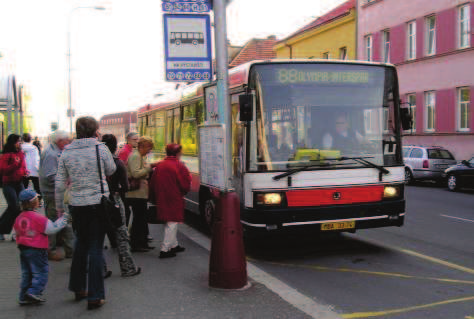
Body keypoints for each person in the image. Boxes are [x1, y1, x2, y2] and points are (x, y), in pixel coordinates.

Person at [55, 116, 116, 310]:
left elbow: (59, 183)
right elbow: (111, 169)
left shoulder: (66, 152)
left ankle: (78, 287)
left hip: (77, 205)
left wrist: (59, 208)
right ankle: (95, 296)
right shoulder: (101, 148)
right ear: (95, 130)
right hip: (98, 203)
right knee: (96, 248)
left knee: (81, 244)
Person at [13, 189, 70, 305]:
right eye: (37, 199)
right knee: (41, 271)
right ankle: (34, 291)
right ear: (33, 203)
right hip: (37, 249)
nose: (39, 201)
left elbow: (16, 233)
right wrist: (64, 219)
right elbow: (52, 229)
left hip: (23, 248)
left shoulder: (19, 217)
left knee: (27, 273)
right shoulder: (38, 218)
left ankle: (23, 296)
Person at [101, 134, 141, 277]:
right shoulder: (118, 163)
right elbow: (125, 186)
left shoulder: (97, 163)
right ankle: (128, 268)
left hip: (98, 201)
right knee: (121, 235)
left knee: (98, 237)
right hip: (115, 201)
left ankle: (101, 269)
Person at [149, 144, 191, 259]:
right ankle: (165, 249)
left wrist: (153, 197)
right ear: (178, 153)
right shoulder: (179, 165)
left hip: (162, 196)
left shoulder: (161, 165)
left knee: (168, 221)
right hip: (174, 197)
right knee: (172, 222)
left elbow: (152, 182)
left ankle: (174, 245)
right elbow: (185, 184)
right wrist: (184, 192)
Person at [38, 130, 74, 261]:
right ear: (59, 141)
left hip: (56, 192)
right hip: (53, 193)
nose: (68, 142)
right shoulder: (51, 154)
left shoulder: (54, 151)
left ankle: (66, 249)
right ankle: (52, 251)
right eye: (67, 140)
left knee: (61, 221)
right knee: (55, 221)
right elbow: (51, 176)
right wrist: (67, 180)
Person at [125, 136, 154, 252]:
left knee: (141, 219)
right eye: (149, 148)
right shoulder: (135, 156)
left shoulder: (139, 156)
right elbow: (136, 174)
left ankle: (141, 242)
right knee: (138, 219)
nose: (149, 151)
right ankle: (136, 244)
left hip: (140, 193)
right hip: (136, 194)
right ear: (142, 146)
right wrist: (149, 168)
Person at [0, 134, 28, 241]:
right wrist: (14, 165)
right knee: (14, 207)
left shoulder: (20, 153)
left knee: (21, 207)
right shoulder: (7, 154)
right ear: (12, 143)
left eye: (20, 141)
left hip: (19, 182)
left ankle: (17, 232)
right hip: (8, 183)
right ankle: (3, 230)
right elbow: (3, 170)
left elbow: (23, 166)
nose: (20, 143)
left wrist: (25, 172)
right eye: (18, 141)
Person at [117, 132, 139, 226]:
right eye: (135, 139)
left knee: (130, 210)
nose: (137, 141)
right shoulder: (125, 151)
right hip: (127, 184)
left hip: (129, 184)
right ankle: (126, 231)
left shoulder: (131, 150)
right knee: (127, 210)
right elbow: (123, 170)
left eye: (138, 139)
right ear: (128, 140)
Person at [21, 133, 42, 202]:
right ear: (30, 139)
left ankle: (25, 202)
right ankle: (38, 201)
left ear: (23, 139)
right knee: (37, 187)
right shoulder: (34, 148)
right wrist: (38, 169)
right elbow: (37, 159)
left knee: (24, 188)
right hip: (34, 170)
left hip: (24, 171)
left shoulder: (20, 148)